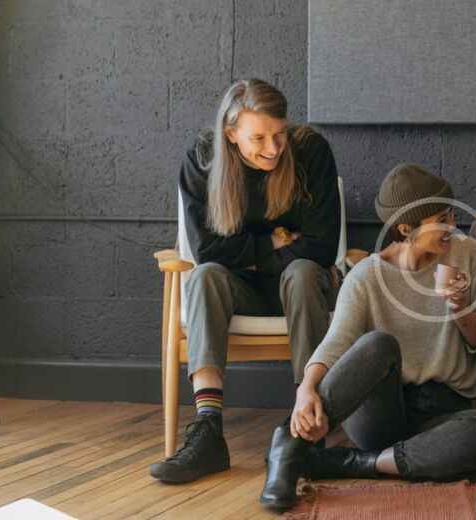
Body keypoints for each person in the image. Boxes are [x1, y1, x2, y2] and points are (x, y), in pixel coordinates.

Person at [259, 164, 476, 512]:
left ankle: (349, 463)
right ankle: (290, 445)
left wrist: (463, 312)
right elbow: (336, 342)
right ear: (406, 228)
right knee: (378, 344)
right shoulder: (366, 277)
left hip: (446, 412)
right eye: (441, 219)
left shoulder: (467, 253)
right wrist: (306, 389)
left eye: (452, 214)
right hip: (381, 414)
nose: (452, 226)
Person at [150, 79, 341, 484]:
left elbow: (322, 248)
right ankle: (208, 430)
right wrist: (274, 242)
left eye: (280, 134)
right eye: (259, 138)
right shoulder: (203, 159)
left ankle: (307, 426)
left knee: (304, 272)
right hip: (237, 292)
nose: (274, 148)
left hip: (301, 290)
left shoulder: (311, 151)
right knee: (204, 277)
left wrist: (247, 255)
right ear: (230, 133)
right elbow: (207, 251)